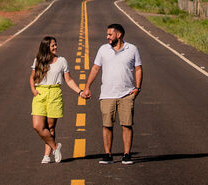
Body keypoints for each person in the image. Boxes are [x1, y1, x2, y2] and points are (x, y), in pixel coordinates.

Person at [81, 23, 143, 165]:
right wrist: (87, 87)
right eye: (107, 34)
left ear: (118, 35)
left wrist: (137, 88)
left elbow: (138, 69)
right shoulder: (103, 49)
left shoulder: (132, 49)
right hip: (107, 94)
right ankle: (108, 154)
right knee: (107, 125)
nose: (107, 36)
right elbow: (96, 68)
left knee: (126, 125)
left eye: (110, 34)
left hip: (126, 94)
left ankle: (127, 154)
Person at [30, 36, 82, 164]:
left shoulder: (62, 61)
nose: (55, 47)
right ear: (46, 47)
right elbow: (32, 77)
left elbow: (68, 80)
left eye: (55, 45)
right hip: (40, 93)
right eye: (52, 45)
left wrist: (80, 92)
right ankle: (55, 147)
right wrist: (33, 90)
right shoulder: (38, 61)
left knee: (50, 126)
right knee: (37, 126)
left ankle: (47, 155)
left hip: (54, 93)